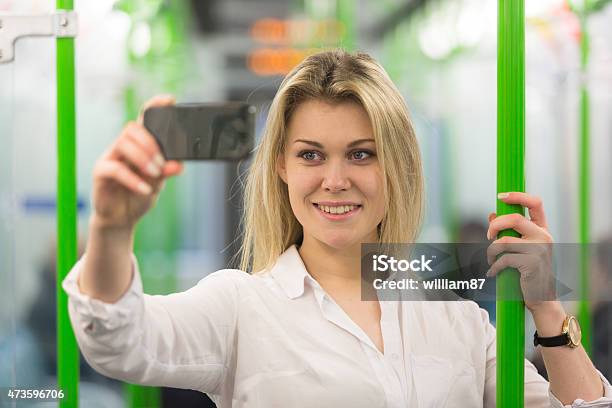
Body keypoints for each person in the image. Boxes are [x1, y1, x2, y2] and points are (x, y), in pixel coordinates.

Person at [62, 50, 612, 407]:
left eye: (361, 154)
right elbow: (119, 341)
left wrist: (546, 309)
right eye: (310, 155)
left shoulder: (457, 317)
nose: (335, 179)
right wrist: (111, 228)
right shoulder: (240, 307)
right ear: (281, 167)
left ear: (396, 165)